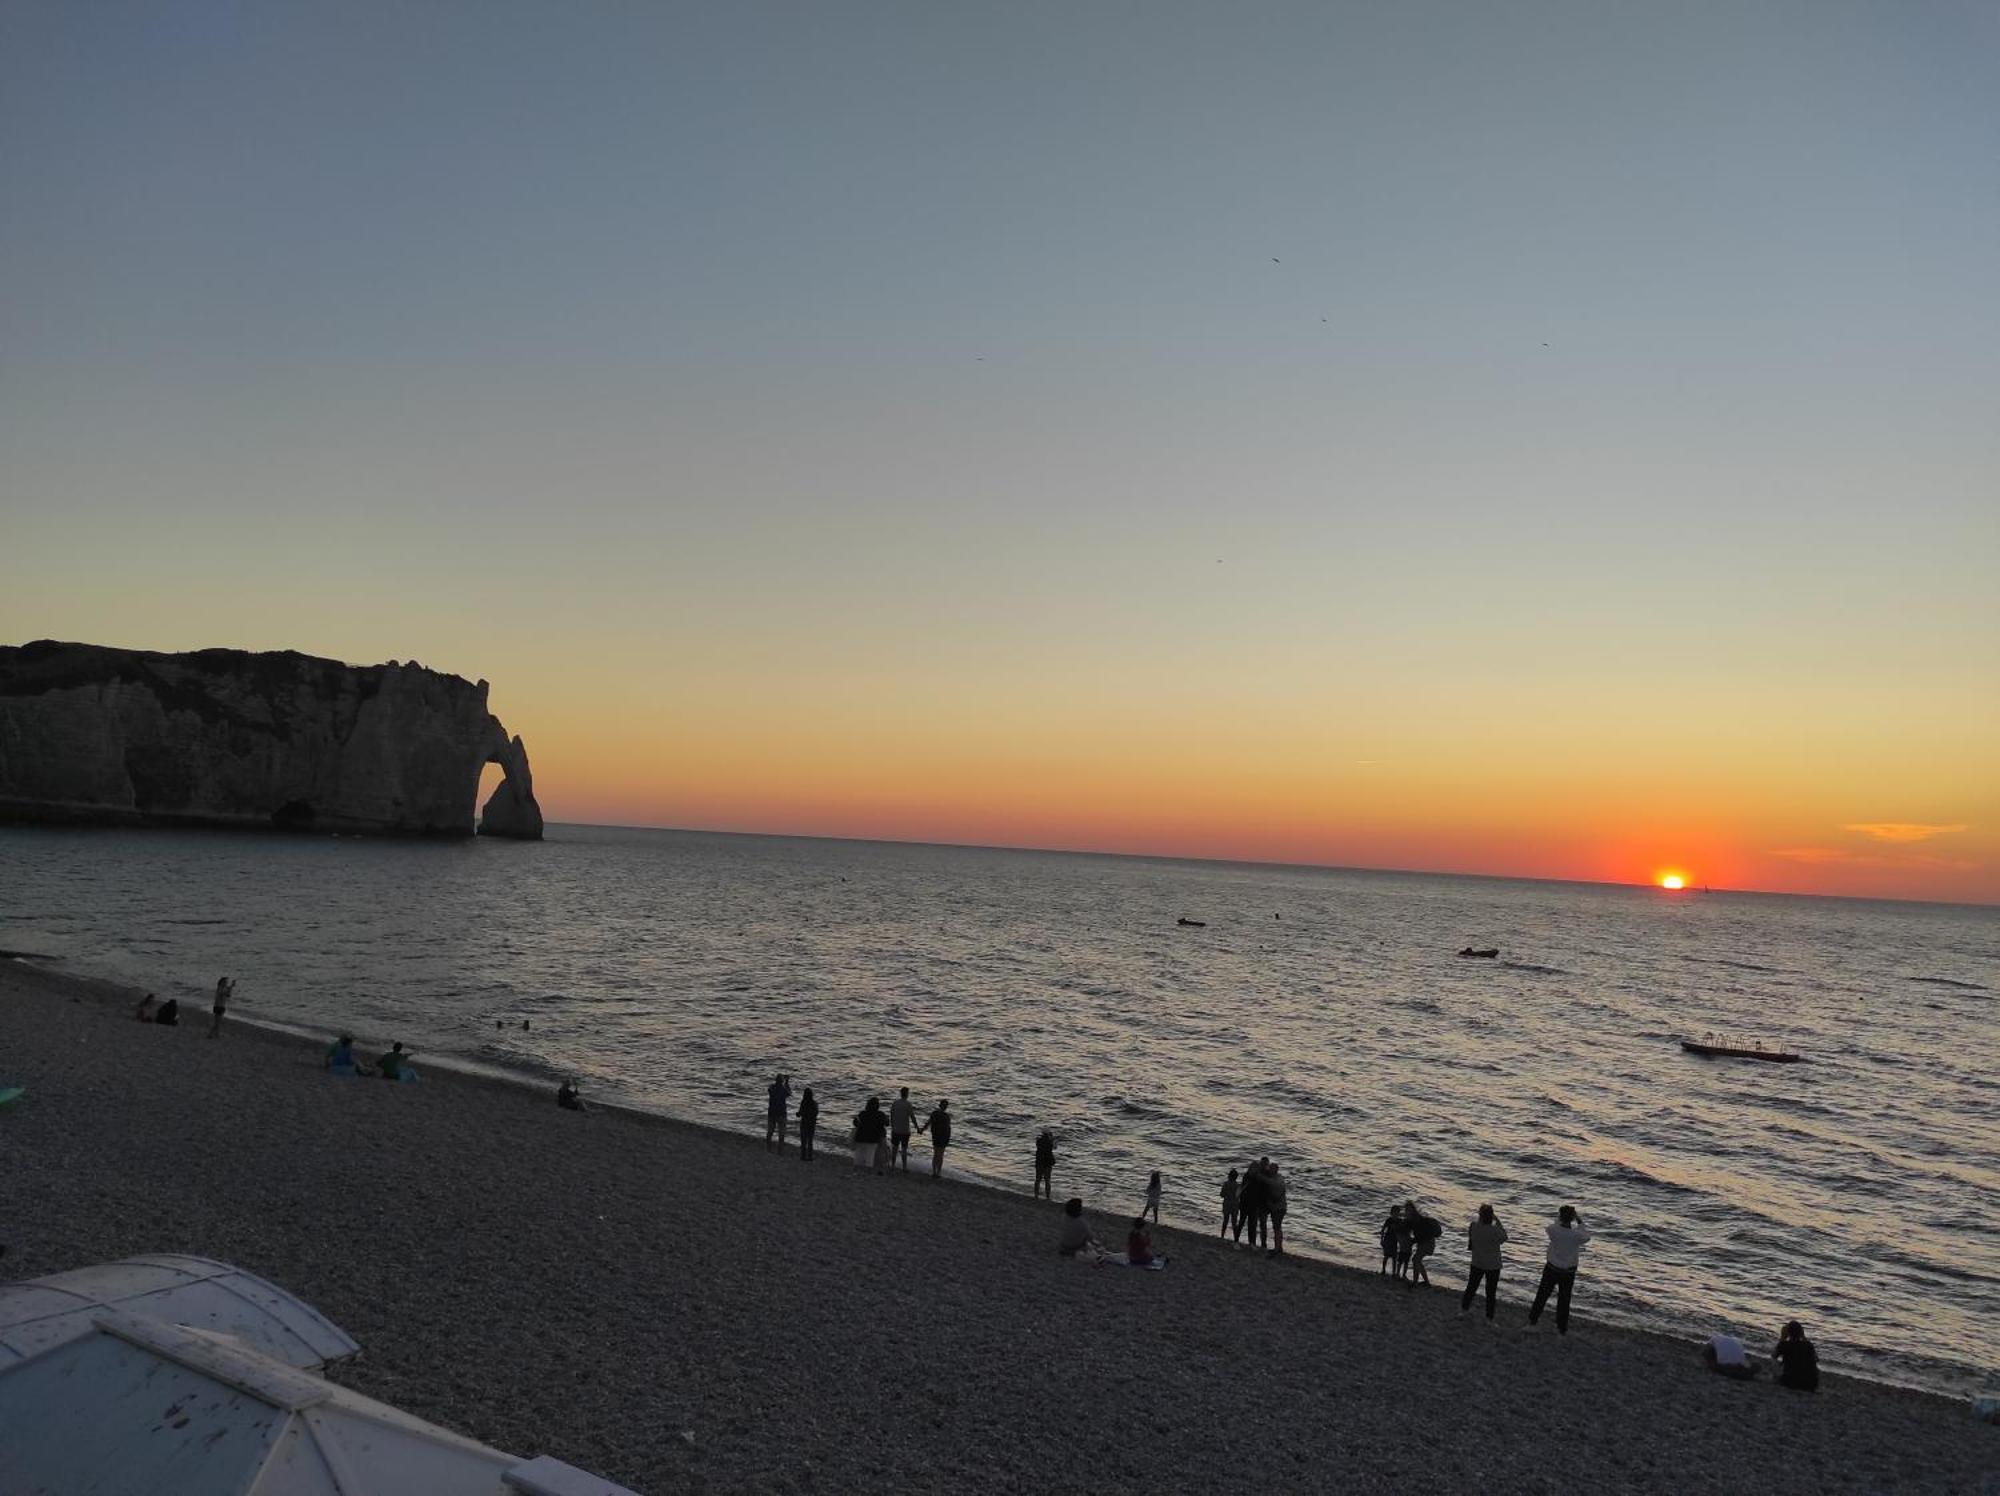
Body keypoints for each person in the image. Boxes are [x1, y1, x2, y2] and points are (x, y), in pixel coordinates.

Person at [1526, 1205, 1591, 1334]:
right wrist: (1579, 1220)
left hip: (1552, 1268)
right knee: (1564, 1300)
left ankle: (1533, 1321)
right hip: (1568, 1271)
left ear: (1560, 1216)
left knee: (1542, 1295)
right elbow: (1587, 1236)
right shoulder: (1576, 1235)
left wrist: (1563, 1218)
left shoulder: (1552, 1230)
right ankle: (1561, 1328)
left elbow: (1554, 1225)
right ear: (1572, 1218)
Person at [1461, 1204, 1507, 1321]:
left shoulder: (1473, 1226)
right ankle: (1489, 1317)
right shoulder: (1494, 1230)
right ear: (1491, 1216)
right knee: (1491, 1293)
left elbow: (1471, 1240)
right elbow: (1504, 1237)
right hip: (1493, 1265)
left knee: (1471, 1287)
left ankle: (1464, 1310)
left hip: (1477, 1262)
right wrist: (1498, 1221)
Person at [1773, 1321, 1819, 1391]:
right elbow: (1816, 1359)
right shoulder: (1808, 1345)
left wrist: (1782, 1338)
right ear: (1801, 1332)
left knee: (1773, 1367)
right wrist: (1804, 1337)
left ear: (1788, 1333)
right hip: (1811, 1384)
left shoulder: (1784, 1345)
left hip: (1791, 1382)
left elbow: (1773, 1356)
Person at [1238, 1158, 1270, 1250]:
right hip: (1249, 1203)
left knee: (1255, 1224)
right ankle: (1249, 1242)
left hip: (1258, 1203)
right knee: (1246, 1222)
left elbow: (1265, 1189)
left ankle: (1256, 1243)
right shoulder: (1251, 1176)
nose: (1264, 1166)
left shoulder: (1261, 1175)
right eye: (1263, 1164)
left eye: (1265, 1164)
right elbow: (1244, 1189)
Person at [1407, 1200, 1440, 1285]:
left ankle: (1415, 1282)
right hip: (1426, 1242)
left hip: (1427, 1242)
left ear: (1412, 1211)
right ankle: (1426, 1282)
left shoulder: (1417, 1220)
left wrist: (1413, 1241)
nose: (1407, 1212)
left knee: (1416, 1260)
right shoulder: (1415, 1219)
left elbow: (1421, 1235)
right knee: (1417, 1260)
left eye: (1408, 1210)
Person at [852, 1097, 888, 1172]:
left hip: (860, 1137)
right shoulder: (880, 1114)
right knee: (869, 1157)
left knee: (858, 1157)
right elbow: (887, 1123)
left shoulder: (862, 1113)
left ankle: (857, 1171)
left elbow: (855, 1123)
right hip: (872, 1139)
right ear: (878, 1106)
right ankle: (867, 1172)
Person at [1264, 1161, 1289, 1256]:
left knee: (1277, 1227)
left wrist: (1272, 1203)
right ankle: (1279, 1247)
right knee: (1278, 1227)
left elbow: (1277, 1194)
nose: (1269, 1171)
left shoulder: (1276, 1180)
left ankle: (1277, 1249)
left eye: (1271, 1169)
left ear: (1275, 1170)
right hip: (1281, 1206)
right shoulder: (1279, 1178)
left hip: (1279, 1207)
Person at [890, 1087, 917, 1171]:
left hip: (896, 1130)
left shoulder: (895, 1103)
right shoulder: (908, 1104)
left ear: (901, 1093)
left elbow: (891, 1115)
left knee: (895, 1148)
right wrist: (917, 1127)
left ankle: (893, 1165)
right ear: (907, 1094)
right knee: (904, 1149)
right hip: (905, 1130)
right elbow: (912, 1117)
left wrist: (893, 1126)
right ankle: (904, 1167)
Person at [923, 1099, 952, 1178]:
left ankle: (934, 1172)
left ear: (940, 1105)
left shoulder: (934, 1113)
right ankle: (938, 1172)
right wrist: (948, 1139)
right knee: (940, 1155)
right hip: (943, 1137)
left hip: (936, 1136)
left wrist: (922, 1130)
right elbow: (948, 1128)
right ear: (946, 1107)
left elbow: (928, 1123)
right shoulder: (946, 1116)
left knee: (936, 1154)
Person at [765, 1074, 792, 1152]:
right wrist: (787, 1082)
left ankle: (768, 1148)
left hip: (772, 1112)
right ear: (782, 1081)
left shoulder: (772, 1088)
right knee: (781, 1133)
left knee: (770, 1131)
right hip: (781, 1113)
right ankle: (780, 1150)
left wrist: (784, 1082)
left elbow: (769, 1089)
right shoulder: (783, 1089)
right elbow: (789, 1093)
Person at [1380, 1204, 1407, 1275]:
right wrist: (1381, 1240)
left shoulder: (1400, 1221)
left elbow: (1403, 1231)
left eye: (1397, 1212)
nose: (1396, 1214)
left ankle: (1394, 1273)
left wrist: (1403, 1241)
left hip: (1395, 1241)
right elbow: (1383, 1230)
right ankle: (1383, 1270)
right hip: (1387, 1239)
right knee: (1386, 1256)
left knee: (1394, 1257)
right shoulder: (1389, 1220)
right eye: (1394, 1212)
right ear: (1391, 1213)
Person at [797, 1087, 819, 1161]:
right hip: (811, 1124)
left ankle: (803, 1156)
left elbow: (800, 1113)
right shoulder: (814, 1103)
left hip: (804, 1123)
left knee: (803, 1141)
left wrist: (798, 1114)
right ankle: (810, 1156)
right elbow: (816, 1113)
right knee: (810, 1141)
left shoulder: (803, 1102)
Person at [1034, 1129, 1056, 1198]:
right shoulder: (1050, 1142)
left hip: (1039, 1162)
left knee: (1038, 1179)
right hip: (1047, 1163)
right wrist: (1053, 1140)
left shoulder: (1039, 1141)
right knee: (1047, 1180)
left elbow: (1037, 1143)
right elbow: (1055, 1147)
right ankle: (1048, 1196)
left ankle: (1036, 1195)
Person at [1220, 1168, 1240, 1238]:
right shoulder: (1238, 1186)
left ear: (1229, 1176)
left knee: (1225, 1220)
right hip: (1235, 1205)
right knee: (1234, 1222)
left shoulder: (1226, 1184)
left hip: (1227, 1204)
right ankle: (1236, 1237)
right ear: (1236, 1177)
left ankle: (1222, 1235)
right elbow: (1239, 1196)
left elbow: (1221, 1194)